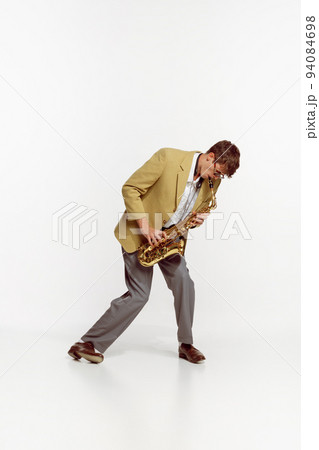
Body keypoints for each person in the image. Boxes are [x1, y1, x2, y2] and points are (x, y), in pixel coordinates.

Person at [68, 140, 240, 364]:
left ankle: (186, 344)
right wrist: (145, 227)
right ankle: (88, 343)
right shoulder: (168, 158)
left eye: (221, 178)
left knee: (184, 282)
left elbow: (193, 211)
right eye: (216, 173)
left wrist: (197, 220)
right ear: (210, 156)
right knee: (139, 295)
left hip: (169, 239)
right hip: (140, 234)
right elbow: (130, 188)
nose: (216, 180)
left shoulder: (211, 181)